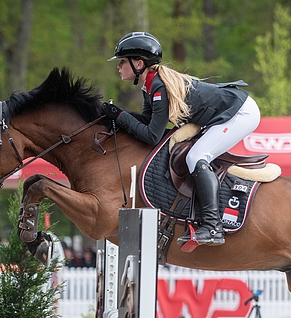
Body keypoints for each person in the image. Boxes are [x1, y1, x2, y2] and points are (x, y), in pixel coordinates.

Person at [104, 32, 261, 248]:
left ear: (139, 63)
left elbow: (151, 136)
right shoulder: (150, 85)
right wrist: (118, 114)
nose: (119, 66)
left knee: (197, 157)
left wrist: (120, 117)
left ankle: (213, 226)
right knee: (195, 156)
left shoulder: (159, 86)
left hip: (240, 113)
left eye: (122, 61)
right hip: (227, 112)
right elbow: (149, 122)